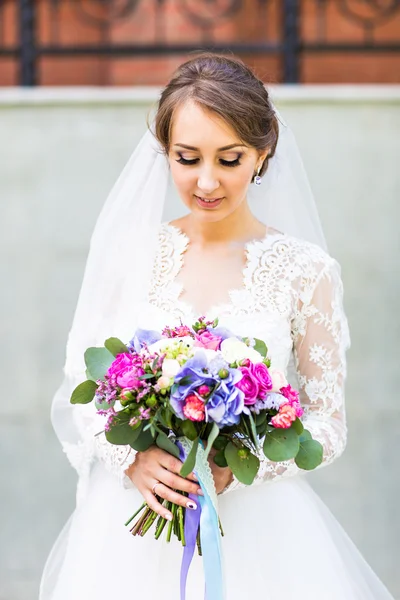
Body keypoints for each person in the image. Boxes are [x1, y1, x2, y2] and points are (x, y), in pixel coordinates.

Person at [40, 53, 394, 600]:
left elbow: (328, 426)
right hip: (132, 533)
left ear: (262, 153)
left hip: (261, 533)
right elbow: (82, 390)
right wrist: (131, 458)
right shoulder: (133, 255)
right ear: (165, 153)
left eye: (229, 159)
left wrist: (242, 459)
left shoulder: (305, 272)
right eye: (187, 158)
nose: (207, 181)